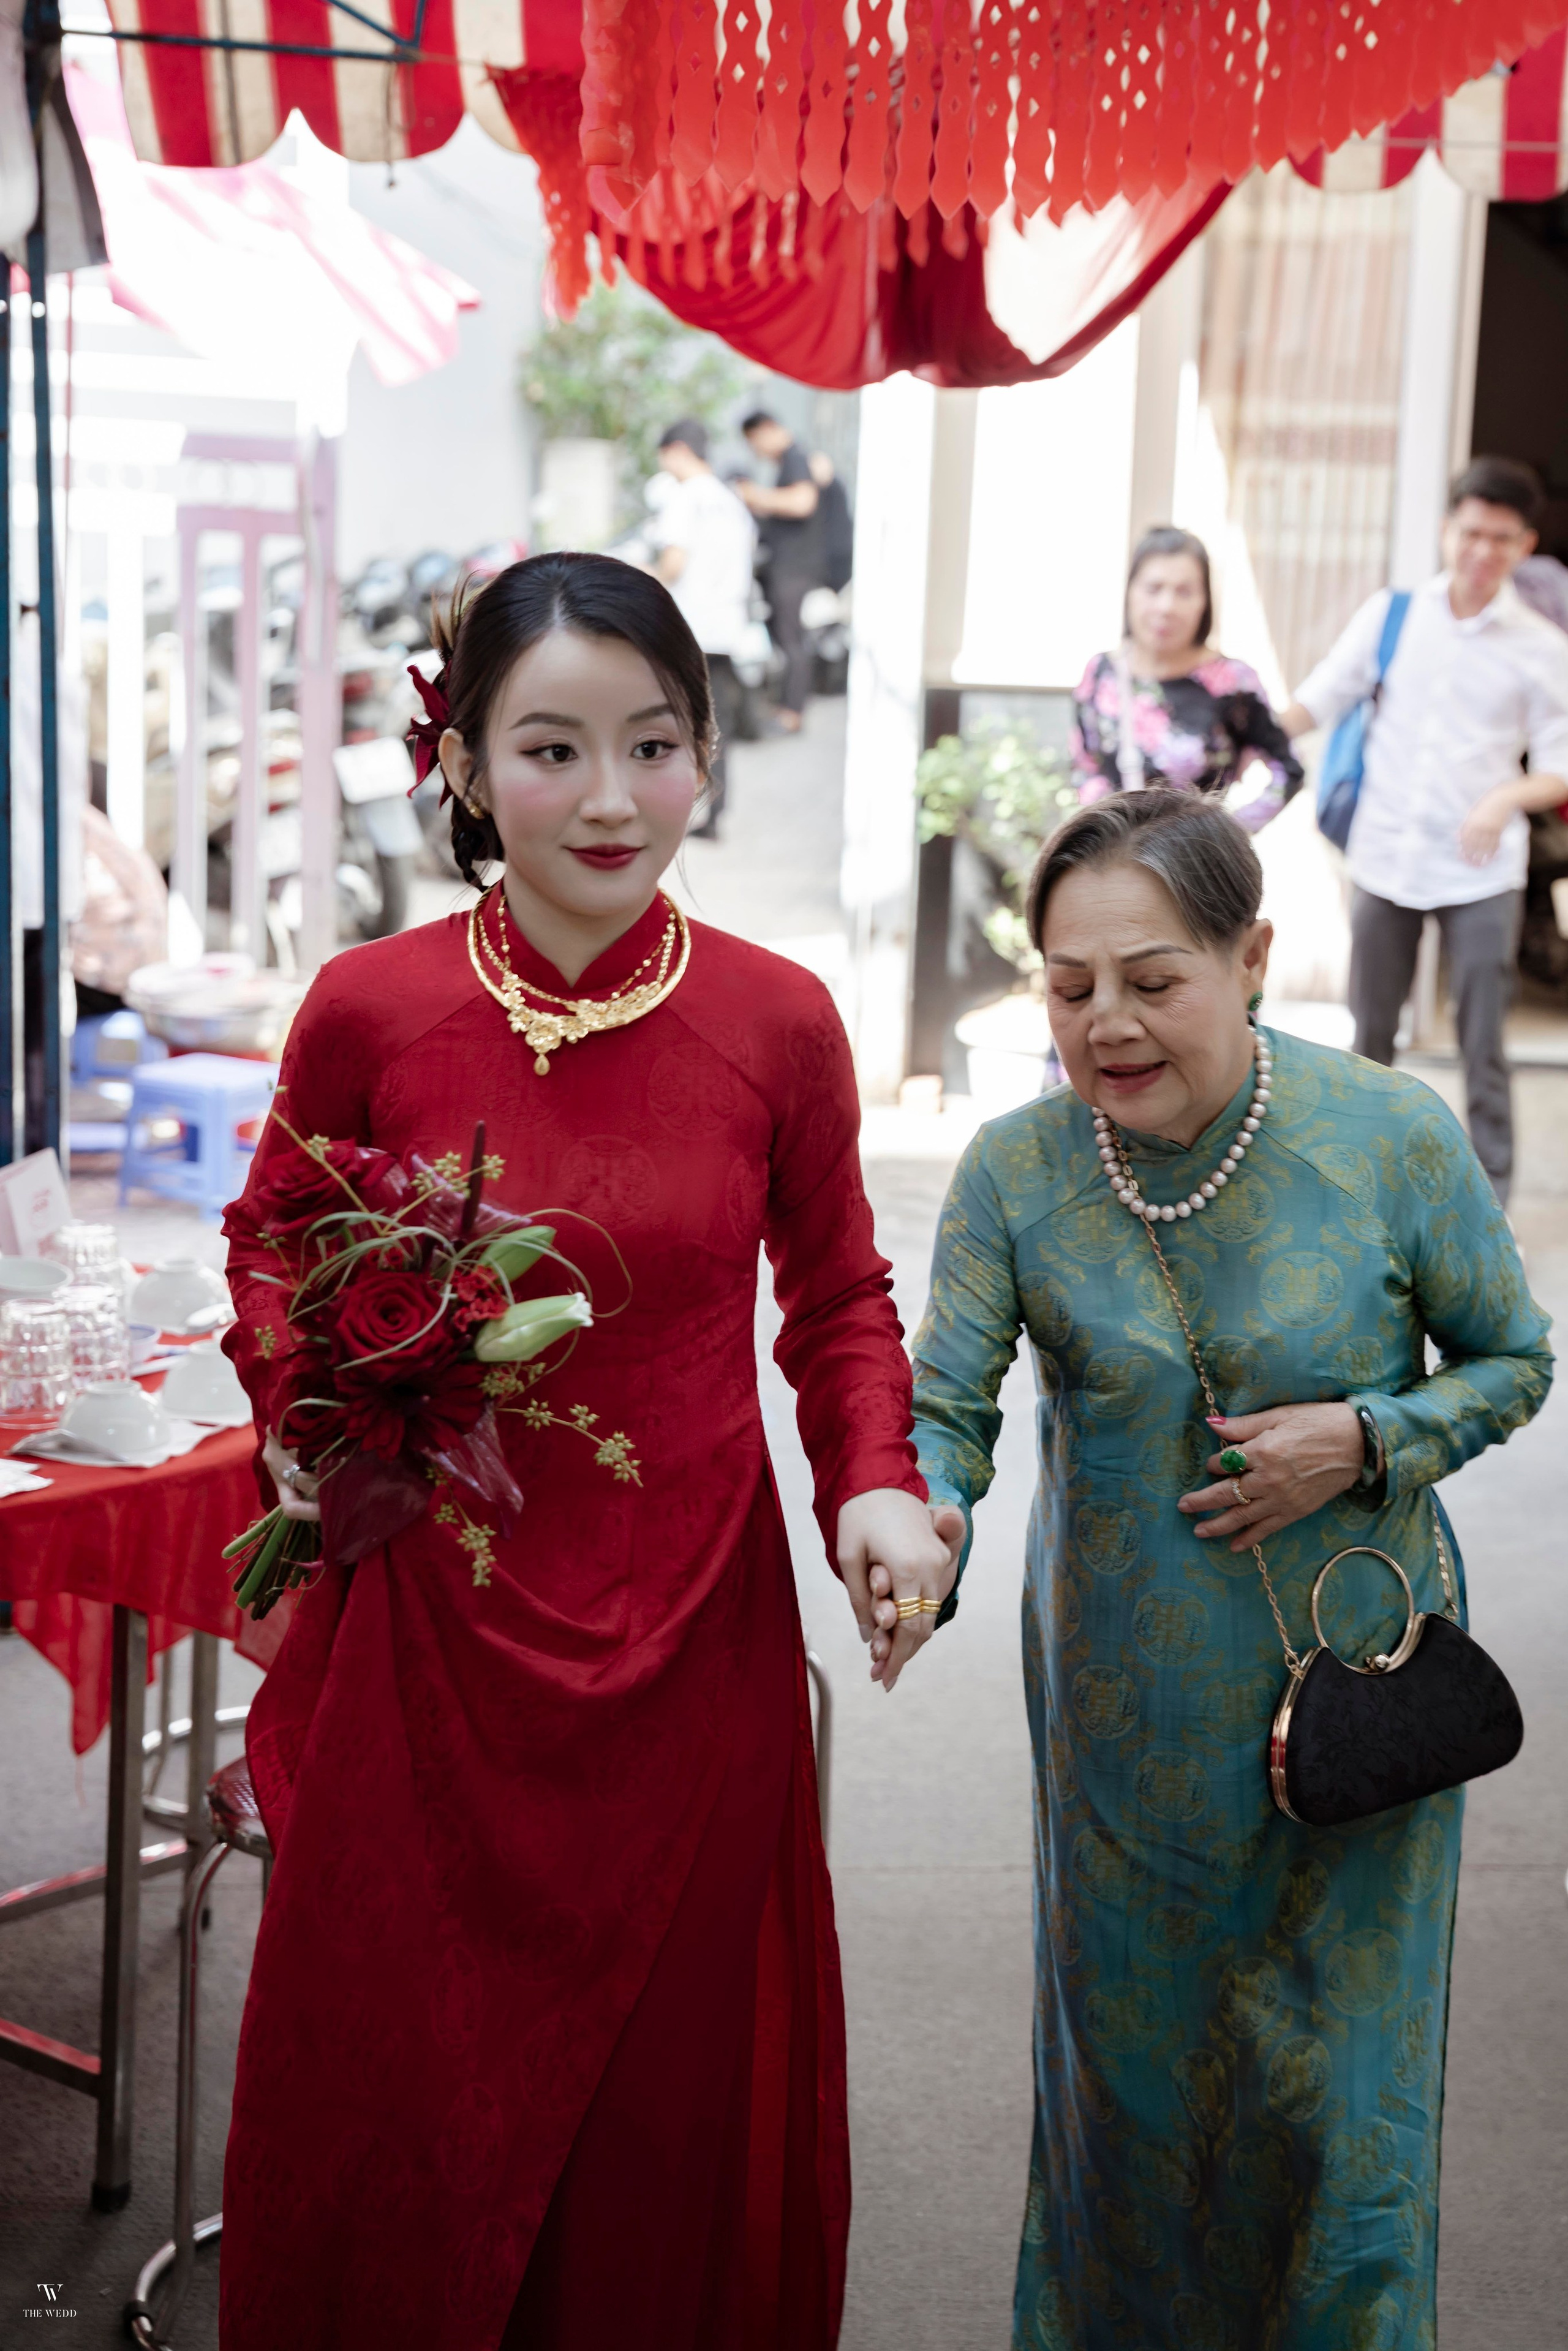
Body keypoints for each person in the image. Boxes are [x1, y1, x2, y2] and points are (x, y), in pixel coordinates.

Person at [217, 554, 951, 2351]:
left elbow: (841, 1288)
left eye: (655, 743)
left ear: (707, 752)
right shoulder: (369, 1009)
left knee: (660, 2107)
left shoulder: (778, 1020)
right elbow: (267, 1235)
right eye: (551, 747)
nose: (611, 799)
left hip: (686, 1648)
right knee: (400, 2074)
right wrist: (304, 1407)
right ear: (461, 763)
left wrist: (873, 1474)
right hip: (425, 1639)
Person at [886, 790, 1550, 2349]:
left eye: (1149, 978)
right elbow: (940, 1412)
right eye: (1066, 987)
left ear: (1248, 956)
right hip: (1130, 1710)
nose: (1104, 1022)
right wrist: (914, 1523)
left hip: (1364, 1685)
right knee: (1133, 2093)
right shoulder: (1013, 1173)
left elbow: (1511, 1361)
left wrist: (1368, 1437)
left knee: (1343, 2098)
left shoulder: (1385, 1137)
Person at [1281, 456, 1568, 1207]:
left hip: (1481, 871)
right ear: (1447, 531)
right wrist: (1242, 731)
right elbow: (1319, 698)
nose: (1482, 552)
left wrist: (1506, 795)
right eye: (1470, 533)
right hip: (1386, 854)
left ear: (1524, 545)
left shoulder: (1540, 646)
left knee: (1482, 1042)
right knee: (1369, 1036)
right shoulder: (1393, 615)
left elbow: (1561, 768)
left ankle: (1488, 1201)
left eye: (1501, 540)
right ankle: (1351, 1187)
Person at [1073, 525, 1303, 831]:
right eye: (1153, 588)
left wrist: (1227, 834)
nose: (1166, 607)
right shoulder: (1101, 673)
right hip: (1115, 864)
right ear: (1130, 592)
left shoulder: (1234, 681)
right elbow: (1084, 766)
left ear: (1204, 601)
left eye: (1184, 592)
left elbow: (1288, 768)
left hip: (1194, 870)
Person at [648, 417, 756, 840]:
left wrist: (642, 575)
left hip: (689, 628)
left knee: (673, 723)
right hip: (727, 628)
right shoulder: (732, 501)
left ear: (676, 452)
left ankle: (671, 811)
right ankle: (715, 812)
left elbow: (673, 566)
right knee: (715, 724)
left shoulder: (685, 498)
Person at [737, 409, 820, 733]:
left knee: (791, 641)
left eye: (753, 442)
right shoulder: (791, 461)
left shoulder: (796, 457)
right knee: (787, 639)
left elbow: (802, 502)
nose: (755, 450)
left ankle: (792, 712)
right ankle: (787, 708)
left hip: (794, 568)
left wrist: (754, 495)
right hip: (787, 567)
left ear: (766, 430)